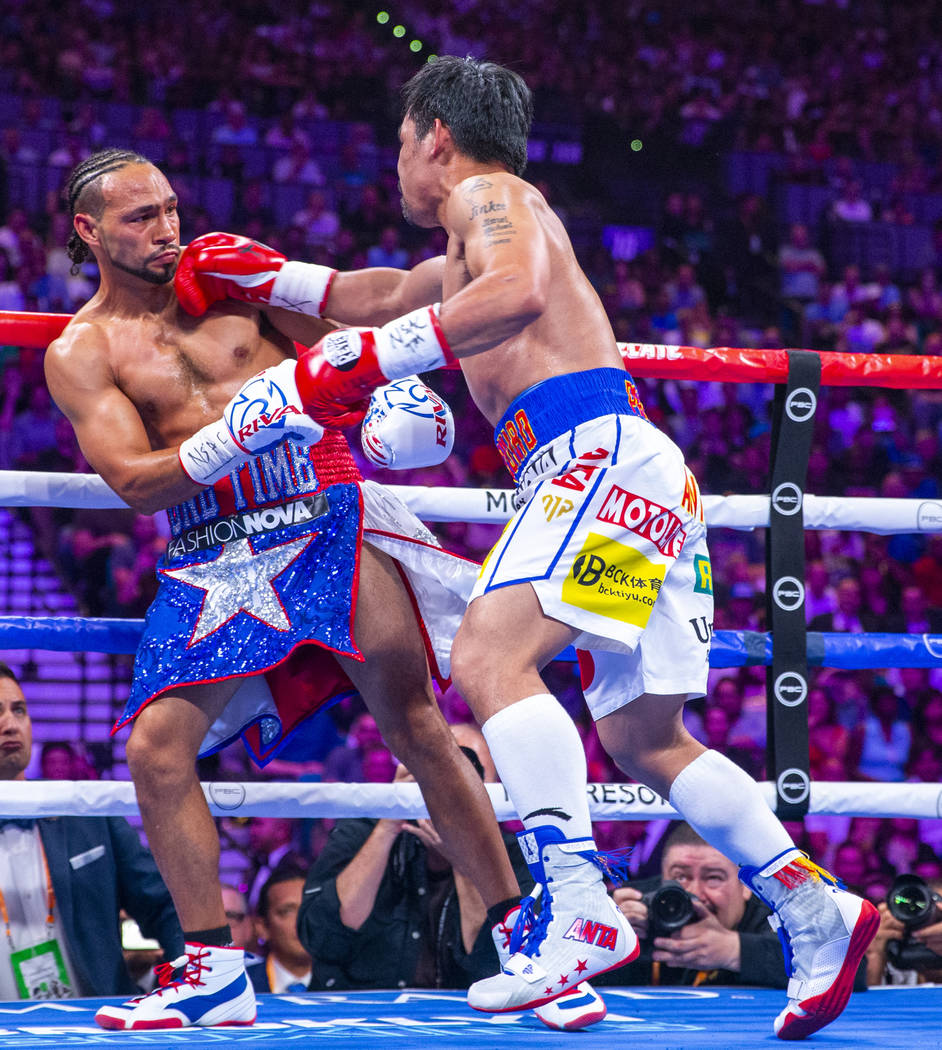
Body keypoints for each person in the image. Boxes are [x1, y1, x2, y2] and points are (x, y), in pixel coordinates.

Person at [181, 57, 876, 1040]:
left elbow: (509, 295)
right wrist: (269, 277)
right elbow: (378, 293)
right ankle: (818, 911)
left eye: (398, 145)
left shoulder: (492, 197)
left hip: (590, 458)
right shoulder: (465, 239)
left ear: (433, 136)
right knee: (643, 738)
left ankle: (577, 904)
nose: (395, 165)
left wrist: (365, 363)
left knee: (488, 657)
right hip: (630, 469)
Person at [45, 148, 522, 1030]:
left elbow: (356, 312)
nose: (165, 228)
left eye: (169, 208)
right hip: (212, 546)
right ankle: (215, 970)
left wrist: (411, 353)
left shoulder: (225, 272)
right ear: (88, 231)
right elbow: (136, 483)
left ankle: (520, 935)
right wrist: (234, 436)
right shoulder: (81, 351)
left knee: (416, 723)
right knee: (155, 747)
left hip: (319, 509)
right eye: (140, 217)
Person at [297, 722, 605, 1030]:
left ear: (492, 788)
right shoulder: (363, 831)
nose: (447, 785)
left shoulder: (513, 855)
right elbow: (324, 937)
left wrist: (466, 857)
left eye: (464, 773)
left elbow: (493, 965)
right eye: (435, 769)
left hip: (469, 1024)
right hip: (357, 1019)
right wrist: (391, 818)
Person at [0, 662, 183, 1000]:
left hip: (94, 1028)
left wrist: (186, 986)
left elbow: (164, 906)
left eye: (19, 710)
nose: (10, 724)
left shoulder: (86, 811)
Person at [609, 822, 863, 991]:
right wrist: (611, 935)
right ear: (662, 876)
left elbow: (852, 968)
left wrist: (735, 951)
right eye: (680, 877)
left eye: (714, 877)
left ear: (746, 886)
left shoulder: (776, 908)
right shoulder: (636, 904)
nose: (695, 893)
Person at [245, 867, 312, 993]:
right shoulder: (242, 988)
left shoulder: (349, 985)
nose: (302, 921)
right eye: (287, 912)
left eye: (310, 908)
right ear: (262, 927)